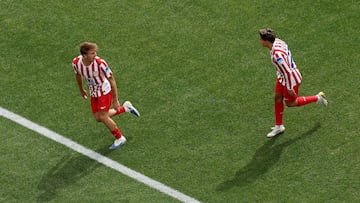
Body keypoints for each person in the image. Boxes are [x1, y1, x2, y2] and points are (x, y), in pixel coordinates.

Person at [258, 28, 328, 138]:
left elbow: (288, 72)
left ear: (266, 41)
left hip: (290, 79)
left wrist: (289, 87)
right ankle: (279, 126)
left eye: (261, 39)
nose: (259, 41)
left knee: (291, 103)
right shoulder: (278, 41)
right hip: (282, 76)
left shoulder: (277, 55)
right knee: (277, 97)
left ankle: (318, 98)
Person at [72, 42, 140, 149]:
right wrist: (81, 89)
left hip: (104, 91)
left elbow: (112, 80)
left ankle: (120, 138)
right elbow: (78, 75)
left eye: (95, 52)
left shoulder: (100, 63)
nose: (95, 55)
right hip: (93, 92)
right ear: (84, 55)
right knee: (98, 118)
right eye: (92, 53)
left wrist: (115, 100)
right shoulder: (76, 63)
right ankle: (125, 108)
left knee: (103, 116)